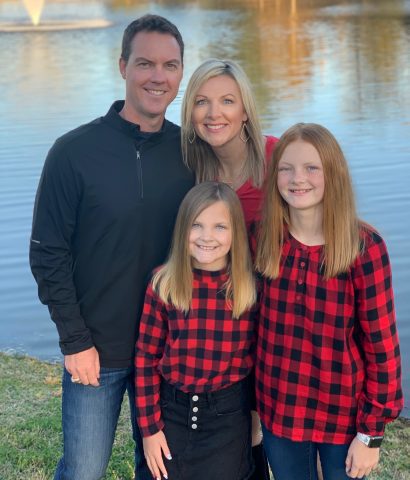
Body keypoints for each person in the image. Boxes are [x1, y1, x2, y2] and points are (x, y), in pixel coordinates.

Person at [29, 14, 193, 480]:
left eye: (170, 65)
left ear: (181, 73)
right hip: (96, 353)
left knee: (164, 473)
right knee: (82, 471)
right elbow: (47, 252)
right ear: (122, 65)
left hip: (167, 353)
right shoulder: (73, 151)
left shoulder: (190, 153)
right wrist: (75, 341)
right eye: (145, 63)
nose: (157, 77)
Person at [254, 123, 403, 480]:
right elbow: (251, 329)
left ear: (332, 173)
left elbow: (382, 350)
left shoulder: (363, 248)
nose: (297, 178)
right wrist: (252, 410)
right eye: (286, 168)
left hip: (342, 418)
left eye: (311, 168)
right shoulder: (263, 238)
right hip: (280, 410)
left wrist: (370, 434)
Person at [135, 181, 258, 480]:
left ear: (236, 233)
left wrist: (256, 417)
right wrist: (150, 429)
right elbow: (145, 358)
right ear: (183, 229)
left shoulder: (248, 287)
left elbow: (260, 359)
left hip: (227, 418)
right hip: (171, 413)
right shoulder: (164, 283)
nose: (207, 237)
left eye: (220, 227)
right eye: (197, 225)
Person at [181, 58, 278, 233]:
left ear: (245, 111)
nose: (214, 114)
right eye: (201, 102)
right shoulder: (188, 168)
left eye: (227, 101)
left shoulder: (279, 158)